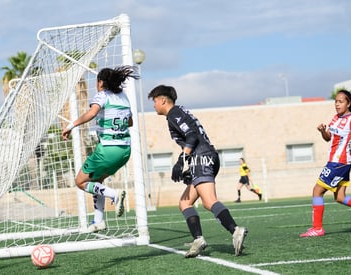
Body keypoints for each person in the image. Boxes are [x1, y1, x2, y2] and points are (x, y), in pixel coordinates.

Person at [148, 84, 247, 257]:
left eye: (155, 101)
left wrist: (182, 160)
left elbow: (192, 136)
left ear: (163, 100)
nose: (154, 105)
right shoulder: (179, 112)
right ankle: (198, 239)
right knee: (185, 202)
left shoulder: (174, 113)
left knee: (209, 202)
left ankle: (235, 230)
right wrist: (190, 167)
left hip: (202, 157)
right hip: (204, 157)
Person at [62, 65, 139, 233]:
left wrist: (71, 125)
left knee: (81, 182)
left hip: (107, 150)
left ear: (101, 82)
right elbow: (130, 122)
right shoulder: (123, 98)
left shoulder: (102, 96)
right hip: (124, 151)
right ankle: (98, 221)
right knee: (97, 182)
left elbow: (91, 113)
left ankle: (114, 195)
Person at [300, 89, 351, 237]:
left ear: (348, 103)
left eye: (340, 101)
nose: (337, 104)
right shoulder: (335, 118)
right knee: (340, 197)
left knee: (317, 191)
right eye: (336, 101)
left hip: (339, 162)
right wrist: (322, 131)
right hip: (336, 161)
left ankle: (317, 228)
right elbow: (328, 138)